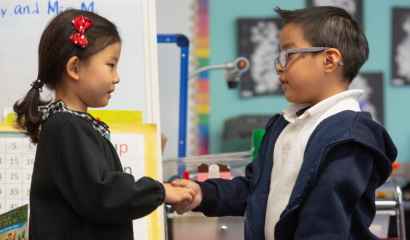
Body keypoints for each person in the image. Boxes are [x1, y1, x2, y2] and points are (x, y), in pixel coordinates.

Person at [170, 6, 397, 240]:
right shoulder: (284, 125)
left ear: (329, 60)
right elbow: (256, 190)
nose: (278, 66)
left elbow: (325, 220)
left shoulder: (350, 136)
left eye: (287, 55)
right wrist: (203, 193)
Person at [13, 9, 194, 239]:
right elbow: (102, 195)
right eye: (111, 65)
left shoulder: (72, 125)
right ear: (75, 68)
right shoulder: (69, 127)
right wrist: (160, 191)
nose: (117, 77)